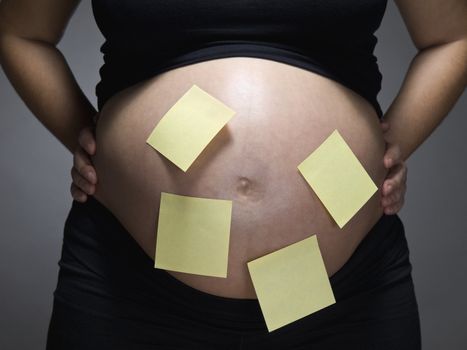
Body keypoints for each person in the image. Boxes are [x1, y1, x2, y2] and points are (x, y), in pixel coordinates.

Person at [0, 0, 465, 348]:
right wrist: (87, 134)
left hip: (341, 295)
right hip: (128, 282)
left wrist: (389, 146)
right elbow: (20, 30)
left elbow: (453, 35)